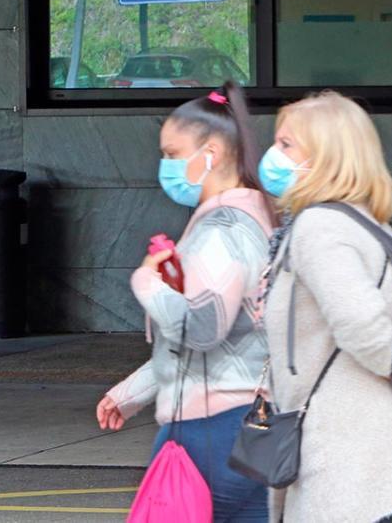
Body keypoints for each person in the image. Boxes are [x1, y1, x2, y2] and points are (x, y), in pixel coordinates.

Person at [97, 81, 274, 523]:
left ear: (210, 153)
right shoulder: (258, 220)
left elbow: (201, 329)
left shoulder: (222, 231)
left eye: (174, 154)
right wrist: (134, 392)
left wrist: (146, 281)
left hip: (212, 430)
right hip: (251, 425)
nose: (166, 166)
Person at [261, 91, 392, 523]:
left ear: (327, 156)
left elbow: (363, 324)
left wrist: (391, 373)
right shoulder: (361, 223)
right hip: (361, 441)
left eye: (286, 145)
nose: (272, 155)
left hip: (343, 445)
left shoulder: (322, 227)